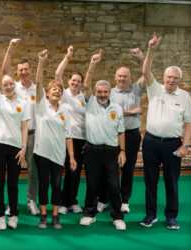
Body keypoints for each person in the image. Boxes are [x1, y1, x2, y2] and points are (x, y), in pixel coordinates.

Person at [140, 33, 191, 230]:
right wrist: (151, 49)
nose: (171, 80)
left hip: (173, 144)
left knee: (172, 182)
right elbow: (146, 70)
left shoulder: (185, 96)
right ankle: (150, 215)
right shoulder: (155, 89)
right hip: (151, 141)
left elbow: (189, 122)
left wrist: (185, 145)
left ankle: (171, 217)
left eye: (175, 78)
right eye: (168, 77)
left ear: (179, 80)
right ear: (163, 78)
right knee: (150, 181)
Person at [79, 50, 127, 231]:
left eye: (105, 91)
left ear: (109, 92)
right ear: (95, 93)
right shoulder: (90, 103)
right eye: (99, 91)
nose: (102, 94)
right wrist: (93, 63)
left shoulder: (117, 108)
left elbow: (121, 132)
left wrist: (122, 151)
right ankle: (89, 214)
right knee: (92, 183)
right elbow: (86, 83)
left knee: (114, 184)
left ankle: (117, 217)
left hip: (112, 151)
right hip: (92, 150)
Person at [35, 49, 76, 229]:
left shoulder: (65, 110)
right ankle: (43, 215)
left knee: (57, 185)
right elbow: (38, 83)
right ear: (48, 93)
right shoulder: (41, 105)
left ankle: (55, 216)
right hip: (42, 153)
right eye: (53, 89)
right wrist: (41, 62)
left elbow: (68, 136)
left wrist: (72, 157)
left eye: (59, 90)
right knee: (44, 184)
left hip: (59, 155)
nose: (57, 92)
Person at [105, 49, 146, 214]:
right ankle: (109, 198)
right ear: (115, 78)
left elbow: (147, 75)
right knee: (110, 168)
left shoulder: (136, 89)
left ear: (129, 78)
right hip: (112, 135)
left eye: (125, 76)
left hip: (131, 135)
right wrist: (131, 111)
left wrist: (142, 59)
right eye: (119, 76)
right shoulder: (109, 93)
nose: (122, 78)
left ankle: (125, 200)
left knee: (128, 168)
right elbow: (110, 113)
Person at [2, 38, 39, 215]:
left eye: (26, 69)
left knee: (34, 170)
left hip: (33, 135)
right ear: (17, 73)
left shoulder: (38, 89)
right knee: (14, 171)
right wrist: (10, 48)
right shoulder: (13, 86)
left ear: (30, 71)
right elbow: (4, 70)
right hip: (15, 136)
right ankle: (12, 203)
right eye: (20, 70)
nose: (23, 72)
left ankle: (32, 200)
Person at [0, 69, 29, 230]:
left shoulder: (23, 103)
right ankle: (0, 216)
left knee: (13, 183)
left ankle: (13, 215)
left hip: (16, 148)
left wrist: (23, 148)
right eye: (5, 85)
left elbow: (25, 127)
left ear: (15, 84)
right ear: (1, 87)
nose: (8, 86)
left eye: (10, 83)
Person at [55, 46, 86, 215]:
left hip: (81, 139)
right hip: (65, 138)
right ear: (69, 81)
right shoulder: (64, 94)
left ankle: (72, 201)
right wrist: (68, 56)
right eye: (73, 80)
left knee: (75, 171)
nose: (75, 83)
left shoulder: (84, 98)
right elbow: (57, 75)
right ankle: (60, 202)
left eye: (78, 81)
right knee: (63, 170)